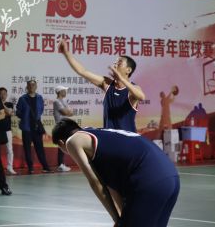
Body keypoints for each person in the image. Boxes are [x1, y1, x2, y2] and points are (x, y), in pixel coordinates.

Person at [52, 118, 180, 227]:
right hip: (170, 176)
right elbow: (112, 187)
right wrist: (122, 218)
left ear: (61, 143)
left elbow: (95, 183)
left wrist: (116, 219)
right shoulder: (98, 134)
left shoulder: (73, 141)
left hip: (149, 178)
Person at [59, 40, 145, 132]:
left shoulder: (133, 89)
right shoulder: (107, 84)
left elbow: (141, 97)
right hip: (109, 137)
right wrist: (66, 53)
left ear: (128, 70)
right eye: (115, 63)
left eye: (119, 63)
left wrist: (122, 79)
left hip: (128, 138)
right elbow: (82, 71)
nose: (115, 65)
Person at [16, 80, 52, 174]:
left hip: (36, 128)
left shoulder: (39, 98)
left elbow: (41, 110)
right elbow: (18, 112)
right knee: (27, 149)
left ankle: (45, 167)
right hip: (26, 128)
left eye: (33, 85)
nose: (32, 87)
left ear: (36, 87)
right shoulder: (22, 99)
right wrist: (25, 116)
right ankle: (30, 168)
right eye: (30, 85)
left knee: (40, 148)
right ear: (27, 87)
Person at [53, 85, 73, 172]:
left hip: (65, 126)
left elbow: (71, 113)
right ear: (60, 92)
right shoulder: (56, 102)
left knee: (64, 144)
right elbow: (65, 112)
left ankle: (62, 164)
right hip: (60, 126)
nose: (65, 92)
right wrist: (67, 112)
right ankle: (60, 164)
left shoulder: (63, 101)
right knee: (62, 145)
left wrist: (68, 112)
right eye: (64, 90)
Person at [0, 87, 17, 174]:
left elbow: (9, 113)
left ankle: (10, 167)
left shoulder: (9, 104)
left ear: (6, 95)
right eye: (0, 94)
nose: (2, 95)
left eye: (4, 94)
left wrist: (2, 104)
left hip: (7, 130)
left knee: (9, 149)